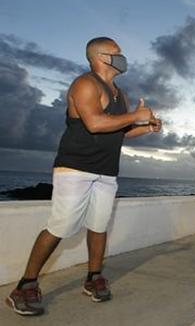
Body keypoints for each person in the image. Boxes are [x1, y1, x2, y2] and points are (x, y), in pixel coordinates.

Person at [6, 37, 161, 317]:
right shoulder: (85, 84)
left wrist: (147, 127)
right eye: (117, 53)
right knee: (61, 226)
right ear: (100, 57)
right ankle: (24, 287)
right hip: (75, 168)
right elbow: (95, 123)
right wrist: (136, 115)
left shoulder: (119, 93)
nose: (123, 57)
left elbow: (119, 132)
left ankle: (93, 277)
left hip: (106, 171)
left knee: (99, 226)